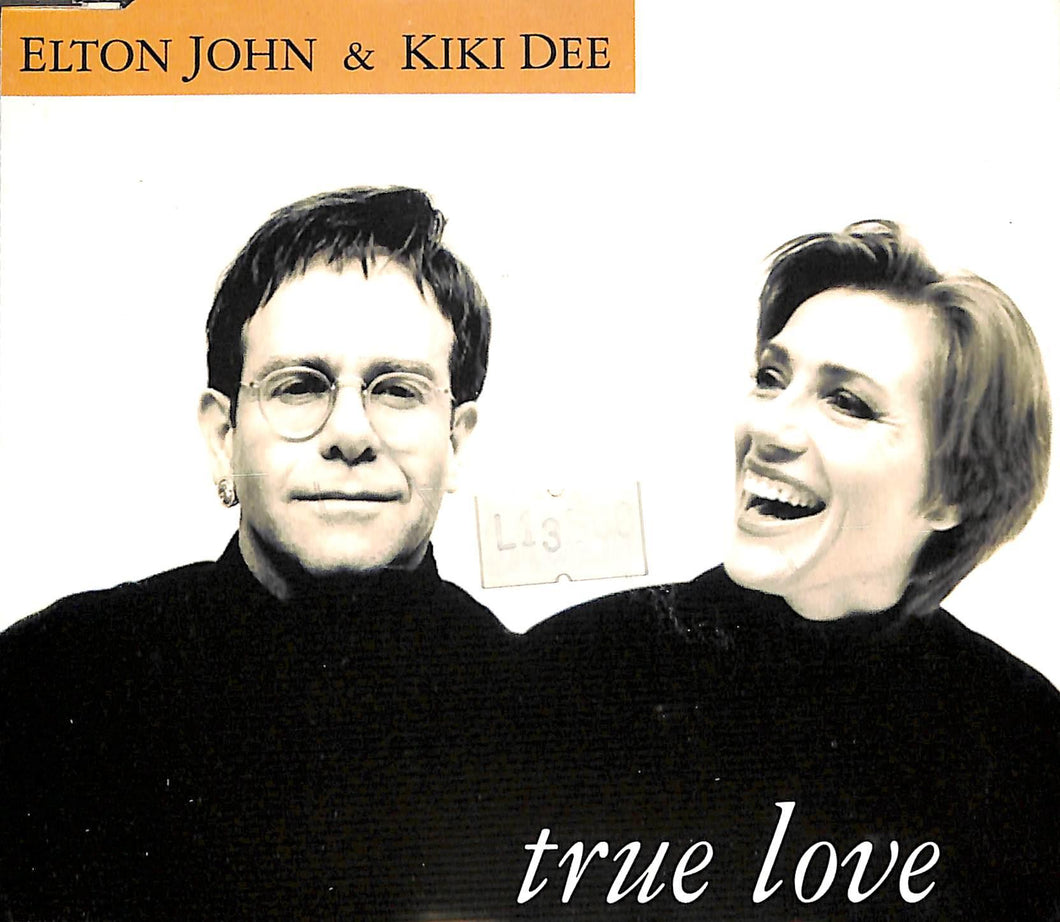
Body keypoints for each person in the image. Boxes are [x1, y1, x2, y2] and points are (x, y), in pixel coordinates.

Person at [511, 221, 1059, 920]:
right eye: (770, 379)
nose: (768, 429)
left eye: (847, 402)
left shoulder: (1024, 740)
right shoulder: (574, 672)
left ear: (954, 489)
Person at [0, 186, 513, 920]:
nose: (350, 433)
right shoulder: (45, 687)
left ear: (456, 443)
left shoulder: (535, 713)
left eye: (397, 391)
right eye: (299, 387)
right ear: (223, 438)